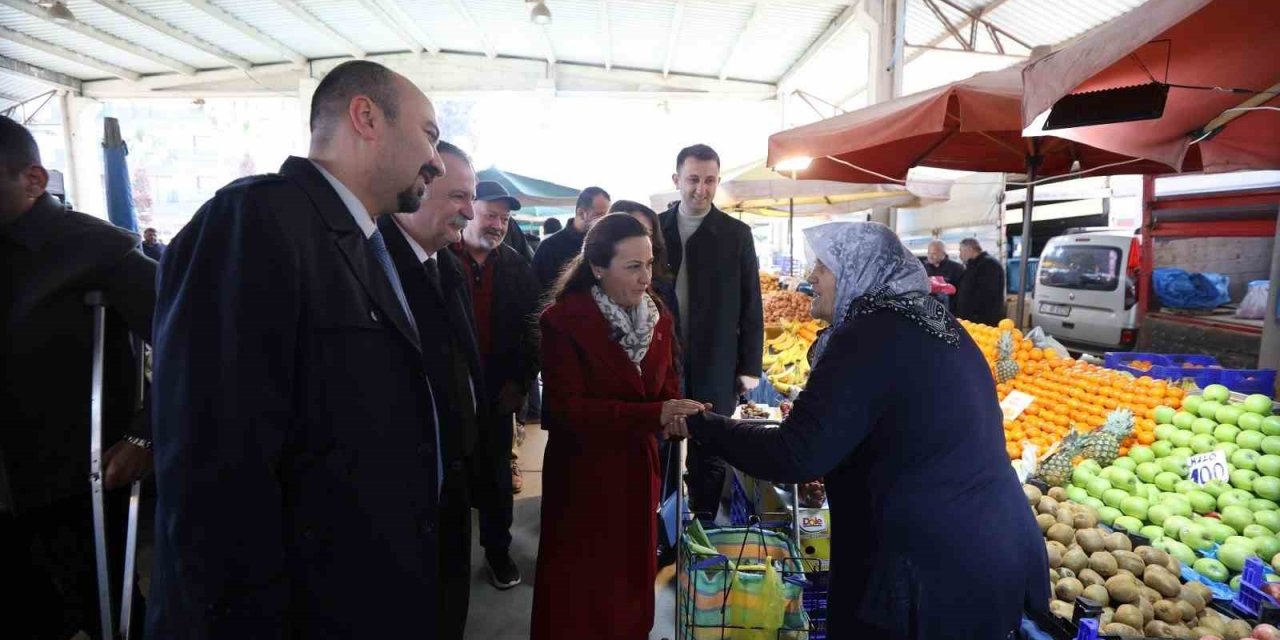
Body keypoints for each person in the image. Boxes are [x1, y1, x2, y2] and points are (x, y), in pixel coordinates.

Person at [148, 60, 448, 637]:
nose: (436, 160)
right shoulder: (255, 222)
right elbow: (212, 463)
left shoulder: (354, 237)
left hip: (355, 589)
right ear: (366, 117)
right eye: (429, 135)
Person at [683, 222, 1049, 639]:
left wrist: (703, 425)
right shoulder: (931, 320)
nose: (810, 277)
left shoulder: (869, 334)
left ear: (858, 268)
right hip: (990, 551)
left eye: (823, 264)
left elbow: (795, 453)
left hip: (928, 573)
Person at [1, 114, 155, 639]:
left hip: (74, 484)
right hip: (6, 486)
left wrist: (145, 433)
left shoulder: (98, 248)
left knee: (106, 614)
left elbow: (192, 343)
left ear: (33, 181)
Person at [531, 214, 706, 639]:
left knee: (629, 582)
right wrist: (655, 415)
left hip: (637, 471)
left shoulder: (658, 317)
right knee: (581, 591)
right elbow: (566, 410)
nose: (646, 277)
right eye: (632, 266)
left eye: (649, 264)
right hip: (583, 477)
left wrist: (677, 415)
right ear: (597, 268)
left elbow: (666, 385)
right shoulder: (563, 320)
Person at [383, 140, 485, 640]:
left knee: (449, 600)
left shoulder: (447, 264)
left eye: (473, 196)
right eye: (459, 196)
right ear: (419, 188)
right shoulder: (371, 263)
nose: (470, 210)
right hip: (401, 490)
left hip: (452, 475)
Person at [659, 143, 763, 520]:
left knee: (711, 443)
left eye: (709, 180)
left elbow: (753, 302)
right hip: (663, 357)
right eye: (692, 179)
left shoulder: (736, 234)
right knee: (662, 442)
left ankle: (702, 521)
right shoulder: (655, 228)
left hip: (717, 357)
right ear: (676, 180)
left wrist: (749, 365)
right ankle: (663, 526)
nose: (700, 189)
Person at [450, 179, 540, 592]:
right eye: (491, 215)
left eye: (505, 219)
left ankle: (497, 551)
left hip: (499, 390)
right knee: (448, 477)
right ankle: (446, 560)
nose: (498, 225)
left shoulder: (518, 267)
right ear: (469, 210)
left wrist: (521, 383)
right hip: (448, 390)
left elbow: (532, 334)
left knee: (496, 479)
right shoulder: (438, 258)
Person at [532, 186, 609, 289]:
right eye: (600, 215)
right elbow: (537, 293)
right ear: (581, 213)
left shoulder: (607, 244)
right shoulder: (549, 247)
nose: (605, 221)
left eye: (607, 216)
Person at [956, 237, 1007, 326]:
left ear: (969, 249)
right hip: (972, 321)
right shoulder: (974, 264)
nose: (960, 255)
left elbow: (986, 294)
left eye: (961, 251)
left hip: (983, 322)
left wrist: (974, 315)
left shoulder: (989, 264)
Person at [922, 239, 964, 312]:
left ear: (943, 254)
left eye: (934, 254)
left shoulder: (957, 268)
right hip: (927, 310)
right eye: (929, 253)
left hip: (950, 311)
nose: (930, 256)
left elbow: (962, 294)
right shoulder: (923, 268)